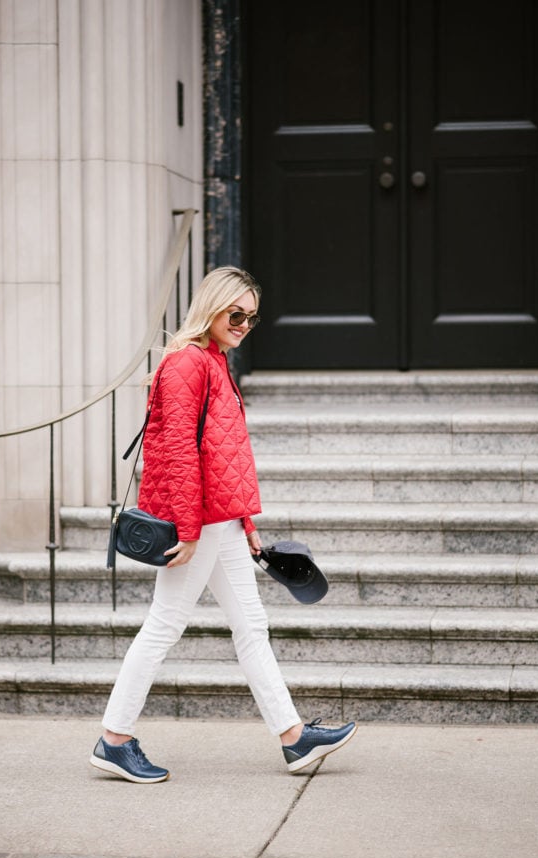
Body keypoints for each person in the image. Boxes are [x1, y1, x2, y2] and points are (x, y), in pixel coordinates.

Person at [90, 266, 357, 782]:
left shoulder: (214, 361)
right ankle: (114, 740)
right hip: (199, 522)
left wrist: (246, 521)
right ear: (211, 306)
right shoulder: (188, 363)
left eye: (251, 319)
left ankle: (294, 738)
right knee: (164, 625)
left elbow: (224, 456)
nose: (243, 325)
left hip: (221, 520)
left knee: (251, 626)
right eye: (236, 314)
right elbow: (180, 454)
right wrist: (188, 528)